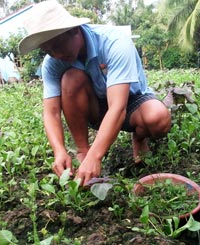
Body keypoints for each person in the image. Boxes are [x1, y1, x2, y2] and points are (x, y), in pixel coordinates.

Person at [18, 1, 171, 186]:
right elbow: (50, 113)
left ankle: (138, 137)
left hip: (130, 102)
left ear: (74, 30)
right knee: (71, 78)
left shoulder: (114, 42)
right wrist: (59, 150)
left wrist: (96, 156)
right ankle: (83, 153)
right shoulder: (52, 63)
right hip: (94, 107)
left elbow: (118, 107)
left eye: (58, 46)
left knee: (158, 118)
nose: (56, 54)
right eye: (48, 50)